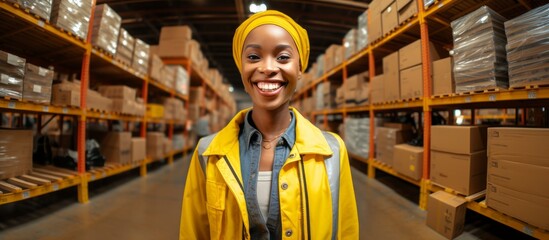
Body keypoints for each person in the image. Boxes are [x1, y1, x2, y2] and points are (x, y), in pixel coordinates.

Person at [180, 10, 359, 239]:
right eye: (253, 57)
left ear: (300, 68)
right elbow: (193, 232)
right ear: (241, 67)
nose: (267, 68)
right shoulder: (208, 153)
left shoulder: (332, 151)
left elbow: (346, 229)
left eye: (283, 57)